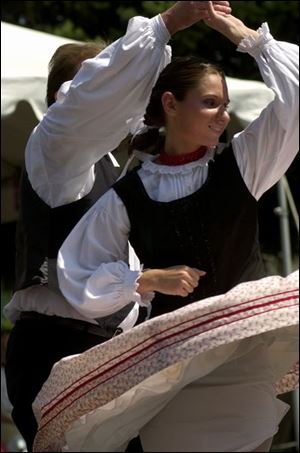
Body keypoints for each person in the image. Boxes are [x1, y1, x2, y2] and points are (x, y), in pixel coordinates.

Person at [56, 2, 299, 452]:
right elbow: (77, 272)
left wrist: (246, 35)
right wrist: (143, 279)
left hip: (239, 362)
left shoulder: (243, 162)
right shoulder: (129, 194)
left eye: (225, 106)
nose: (222, 116)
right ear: (170, 104)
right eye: (210, 103)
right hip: (171, 369)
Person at [3, 2, 232, 452]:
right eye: (103, 79)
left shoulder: (111, 168)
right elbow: (96, 99)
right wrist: (165, 24)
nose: (120, 92)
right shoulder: (56, 145)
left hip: (104, 353)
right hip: (57, 349)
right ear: (69, 95)